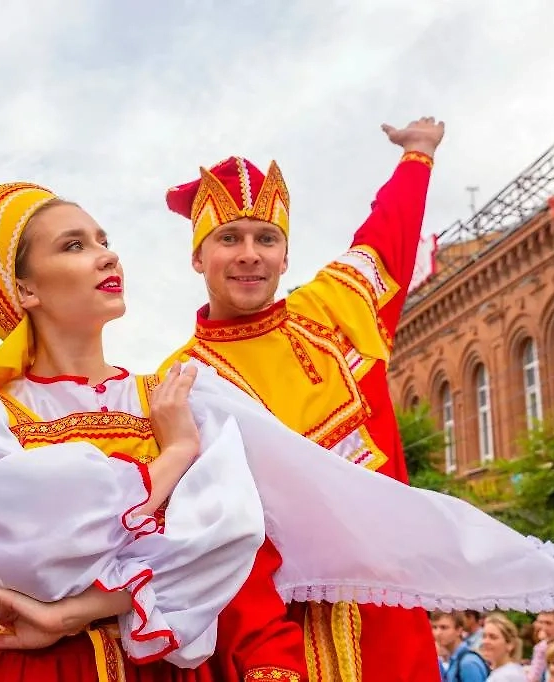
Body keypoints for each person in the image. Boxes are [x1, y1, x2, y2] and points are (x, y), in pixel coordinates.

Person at [0, 181, 554, 682]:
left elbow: (230, 548)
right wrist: (175, 459)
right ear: (22, 289)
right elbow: (59, 544)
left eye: (103, 239)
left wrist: (417, 158)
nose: (104, 255)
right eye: (74, 245)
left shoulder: (180, 394)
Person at [162, 117, 446, 680]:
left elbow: (387, 237)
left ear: (285, 257)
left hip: (385, 618)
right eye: (229, 239)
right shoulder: (178, 381)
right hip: (265, 638)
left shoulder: (336, 314)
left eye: (266, 239)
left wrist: (418, 154)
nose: (249, 254)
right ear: (198, 258)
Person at [477, 614, 522, 681]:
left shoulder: (507, 676)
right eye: (484, 636)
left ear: (510, 644)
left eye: (493, 637)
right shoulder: (502, 672)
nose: (485, 641)